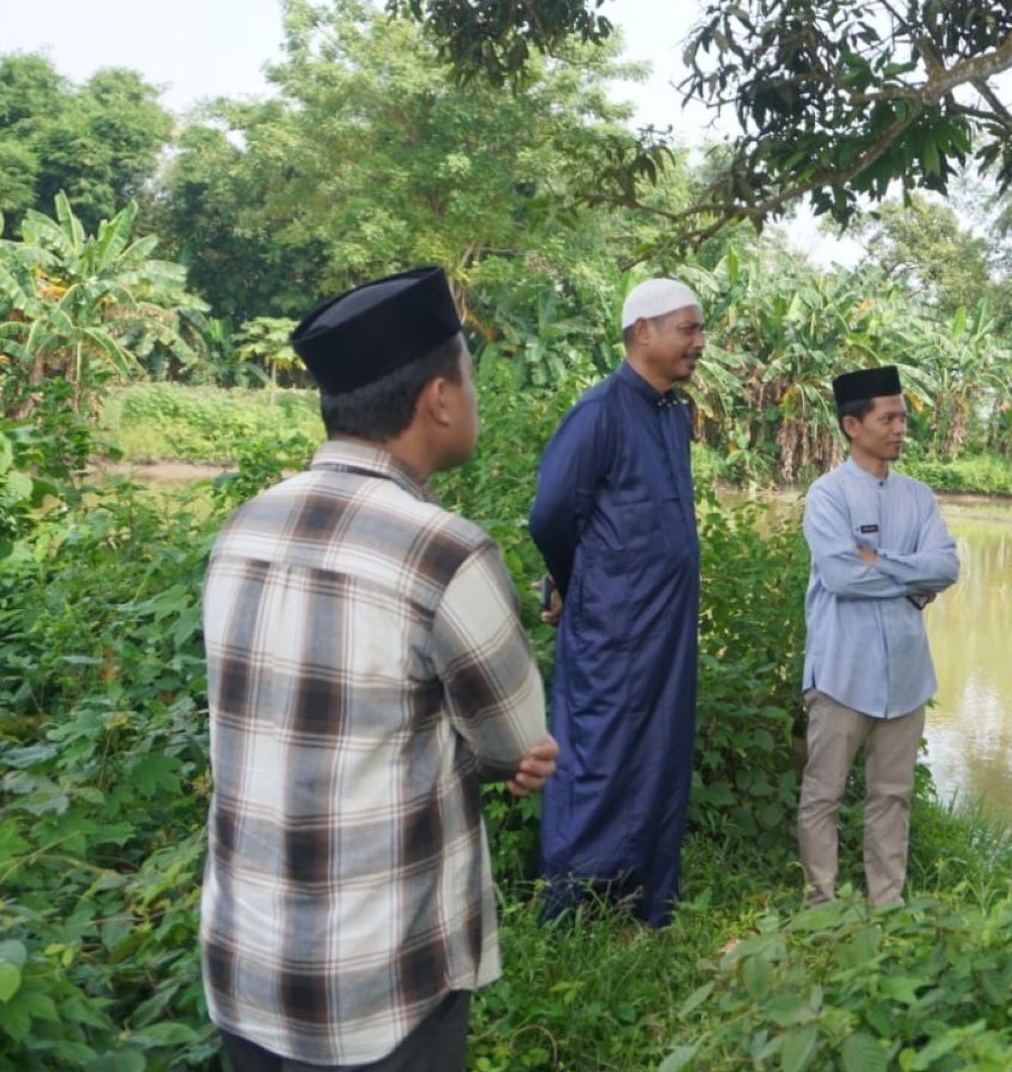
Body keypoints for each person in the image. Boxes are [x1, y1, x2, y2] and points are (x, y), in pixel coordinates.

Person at [201, 266, 558, 1070]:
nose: (471, 395)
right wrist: (492, 752)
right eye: (468, 376)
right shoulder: (444, 552)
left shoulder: (244, 528)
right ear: (438, 397)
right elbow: (520, 739)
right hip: (382, 989)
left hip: (243, 970)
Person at [529, 278, 705, 926]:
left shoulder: (674, 415)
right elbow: (550, 514)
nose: (698, 342)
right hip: (612, 628)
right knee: (596, 758)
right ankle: (570, 908)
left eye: (698, 329)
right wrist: (573, 585)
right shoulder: (600, 411)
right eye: (686, 328)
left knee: (661, 755)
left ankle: (647, 900)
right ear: (643, 332)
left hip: (668, 630)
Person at [798, 366, 960, 907]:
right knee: (823, 794)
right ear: (852, 425)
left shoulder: (918, 497)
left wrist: (881, 562)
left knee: (892, 796)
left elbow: (946, 567)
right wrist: (911, 577)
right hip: (843, 671)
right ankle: (820, 904)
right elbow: (842, 576)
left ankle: (885, 905)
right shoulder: (828, 496)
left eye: (902, 418)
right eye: (887, 418)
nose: (898, 429)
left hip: (907, 675)